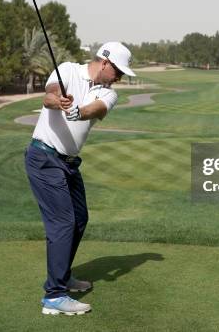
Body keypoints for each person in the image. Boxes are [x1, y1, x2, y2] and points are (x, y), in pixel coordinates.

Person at [24, 41, 136, 316]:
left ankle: (61, 276)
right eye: (118, 72)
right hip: (44, 157)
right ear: (105, 62)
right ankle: (54, 296)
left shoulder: (109, 93)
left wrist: (77, 111)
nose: (119, 78)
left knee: (80, 218)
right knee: (63, 221)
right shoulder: (67, 70)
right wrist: (59, 101)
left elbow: (96, 109)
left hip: (69, 164)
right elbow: (49, 95)